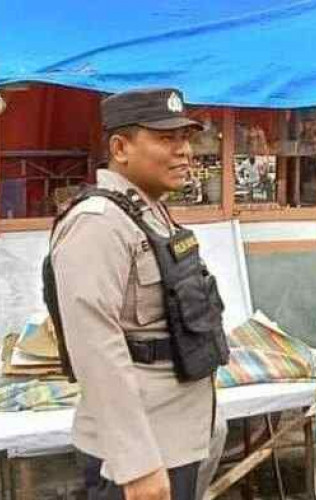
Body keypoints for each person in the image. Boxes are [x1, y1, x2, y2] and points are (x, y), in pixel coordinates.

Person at [45, 88, 230, 500]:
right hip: (139, 452)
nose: (185, 151)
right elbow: (96, 349)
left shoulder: (149, 211)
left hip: (175, 434)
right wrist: (137, 464)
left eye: (186, 138)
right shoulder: (98, 223)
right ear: (120, 147)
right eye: (167, 139)